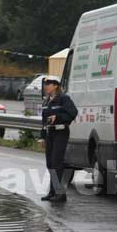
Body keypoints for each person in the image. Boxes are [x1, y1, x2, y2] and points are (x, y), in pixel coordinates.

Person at [39, 75, 78, 203]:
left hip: (61, 132)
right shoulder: (47, 101)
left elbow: (73, 113)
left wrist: (58, 117)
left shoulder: (64, 99)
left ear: (56, 85)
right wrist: (42, 137)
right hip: (50, 133)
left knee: (57, 162)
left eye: (49, 84)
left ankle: (60, 194)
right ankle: (52, 192)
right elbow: (44, 121)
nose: (46, 86)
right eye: (45, 84)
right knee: (50, 163)